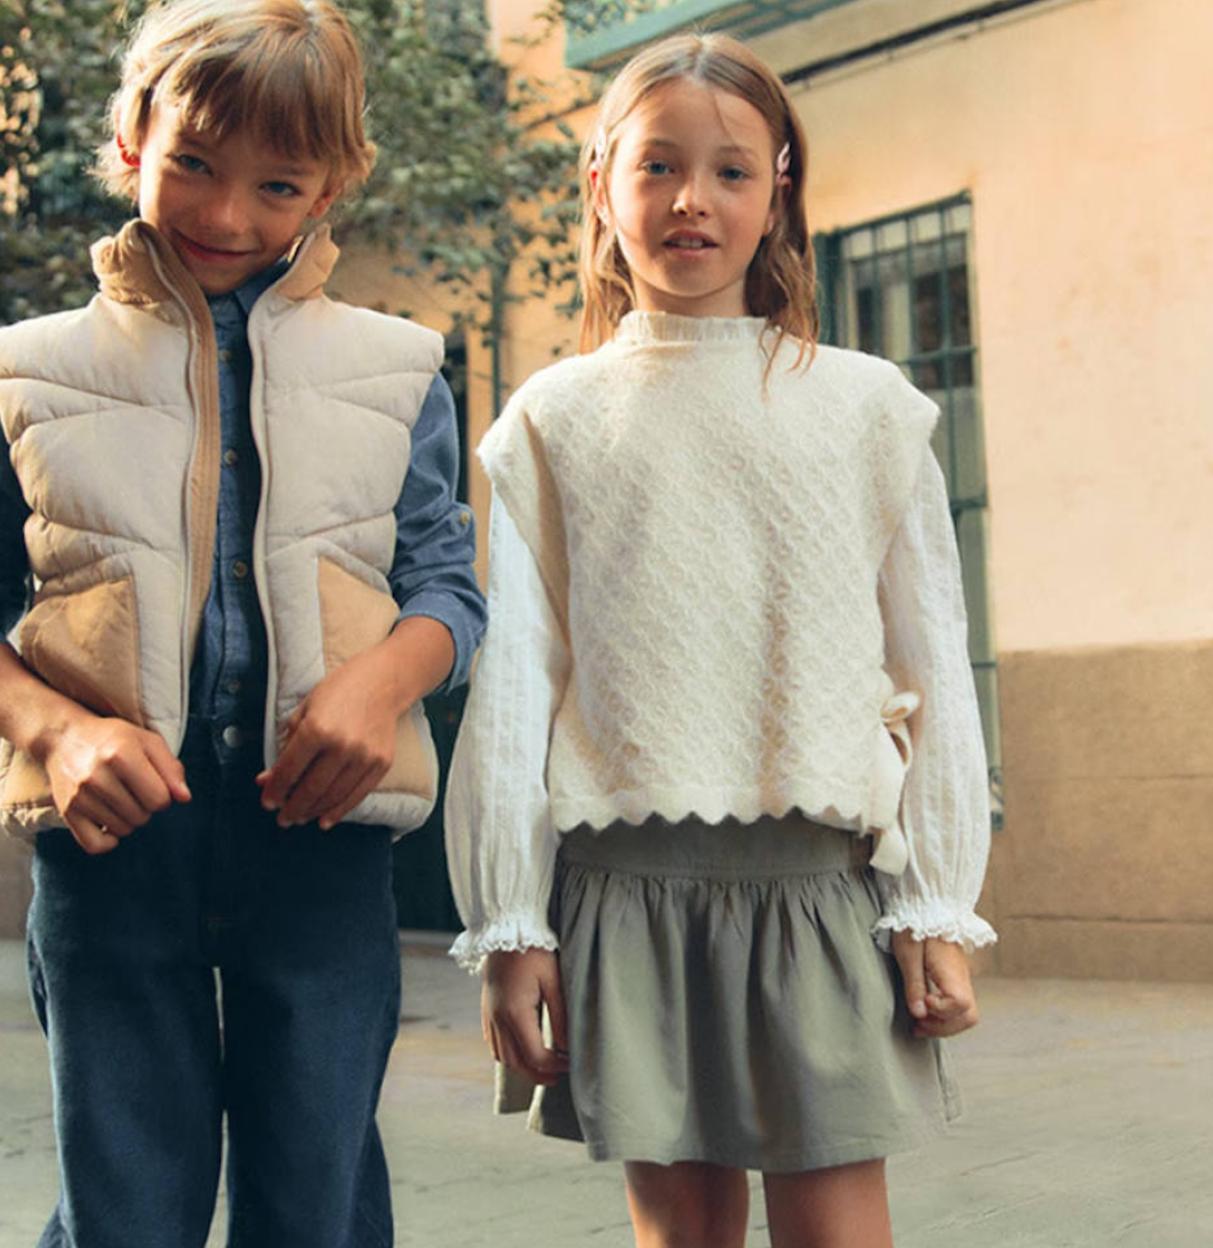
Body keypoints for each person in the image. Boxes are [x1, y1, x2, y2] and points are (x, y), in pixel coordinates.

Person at [445, 30, 996, 1248]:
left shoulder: (864, 406)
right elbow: (518, 679)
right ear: (600, 184)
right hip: (626, 893)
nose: (693, 200)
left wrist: (936, 903)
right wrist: (510, 925)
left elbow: (930, 662)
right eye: (657, 166)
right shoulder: (553, 420)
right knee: (681, 1236)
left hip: (821, 891)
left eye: (733, 171)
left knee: (839, 1232)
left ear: (779, 191)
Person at [0, 2, 486, 1244]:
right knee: (127, 1210)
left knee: (314, 1203)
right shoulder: (27, 373)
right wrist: (56, 735)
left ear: (337, 180)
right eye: (194, 166)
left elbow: (449, 587)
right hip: (112, 850)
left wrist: (379, 690)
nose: (225, 217)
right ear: (129, 140)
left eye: (278, 182)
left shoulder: (398, 369)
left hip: (319, 842)